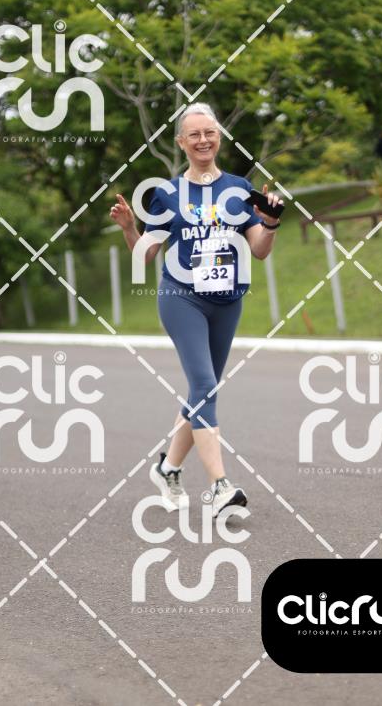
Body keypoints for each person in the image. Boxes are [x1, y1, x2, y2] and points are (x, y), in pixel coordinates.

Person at [110, 103, 283, 517]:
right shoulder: (168, 194)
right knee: (205, 386)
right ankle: (220, 486)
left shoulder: (240, 188)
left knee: (203, 392)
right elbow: (145, 256)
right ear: (181, 142)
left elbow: (259, 251)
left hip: (227, 301)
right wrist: (131, 229)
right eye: (195, 134)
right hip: (182, 298)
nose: (203, 140)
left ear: (219, 137)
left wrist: (270, 223)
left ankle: (168, 468)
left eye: (210, 132)